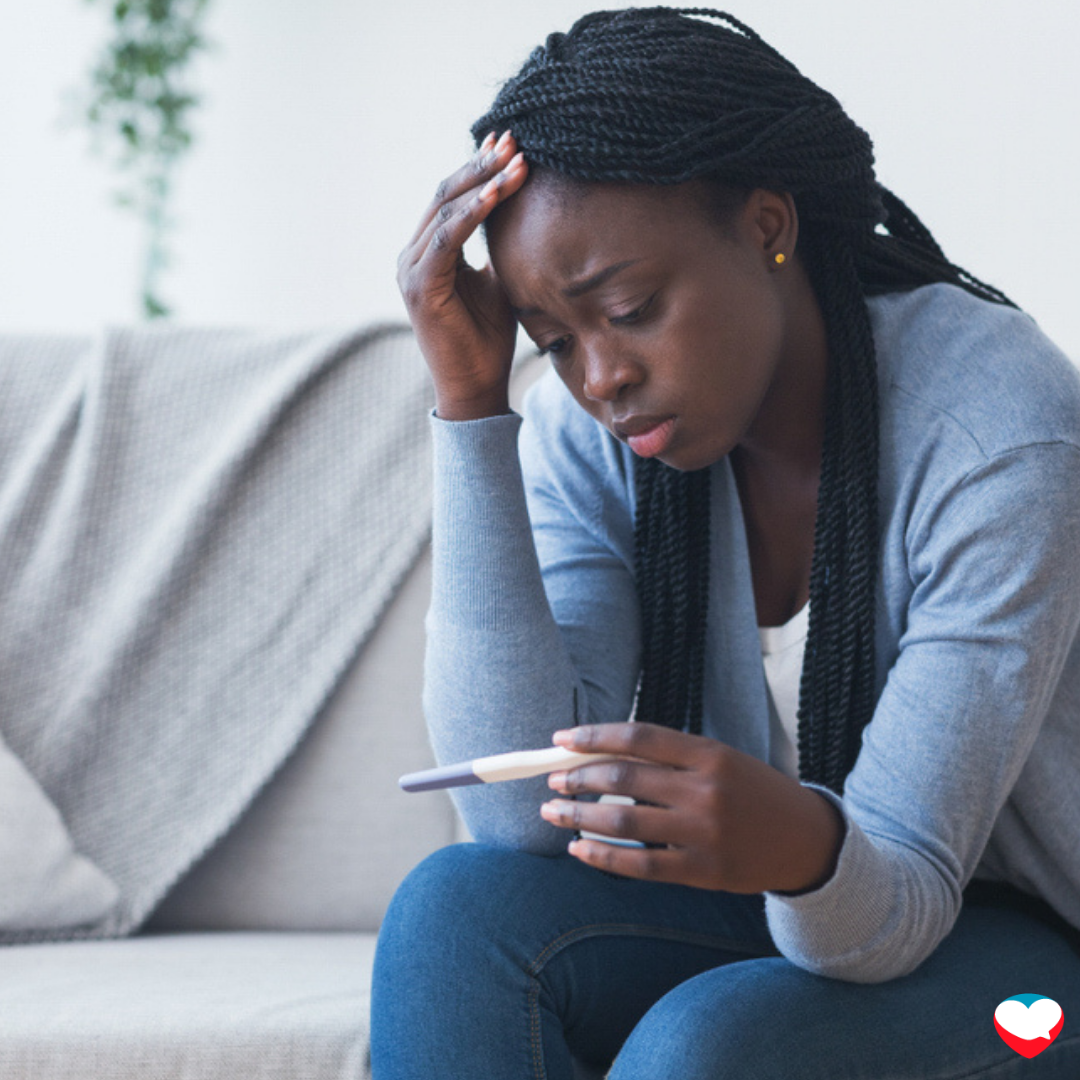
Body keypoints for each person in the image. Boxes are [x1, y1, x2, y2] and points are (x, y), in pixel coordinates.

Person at [371, 7, 1080, 1077]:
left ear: (765, 226)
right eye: (557, 342)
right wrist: (471, 408)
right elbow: (514, 816)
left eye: (632, 306)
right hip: (788, 911)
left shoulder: (995, 436)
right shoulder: (599, 435)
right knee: (451, 918)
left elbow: (903, 898)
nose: (599, 375)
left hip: (1030, 960)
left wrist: (797, 844)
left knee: (708, 1048)